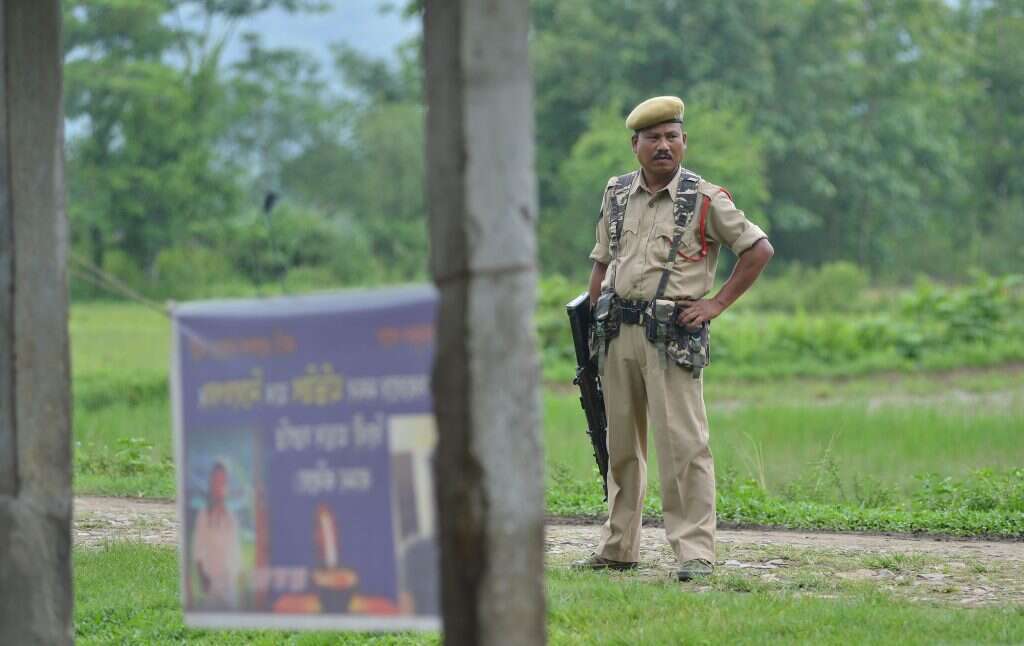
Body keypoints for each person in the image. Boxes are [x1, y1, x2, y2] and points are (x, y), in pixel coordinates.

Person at [573, 95, 773, 581]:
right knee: (619, 443)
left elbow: (757, 249)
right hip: (617, 333)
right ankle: (618, 546)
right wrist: (595, 317)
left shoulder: (704, 199)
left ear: (684, 142)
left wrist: (715, 305)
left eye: (671, 137)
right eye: (653, 138)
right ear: (635, 144)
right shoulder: (616, 193)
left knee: (683, 445)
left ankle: (694, 553)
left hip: (672, 336)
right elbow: (602, 260)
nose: (663, 146)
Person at [191, 461, 242, 607]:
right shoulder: (204, 515)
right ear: (210, 484)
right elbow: (198, 549)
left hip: (229, 583)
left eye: (222, 481)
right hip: (210, 580)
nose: (218, 486)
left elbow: (235, 549)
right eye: (215, 481)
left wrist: (234, 575)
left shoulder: (231, 517)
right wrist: (202, 576)